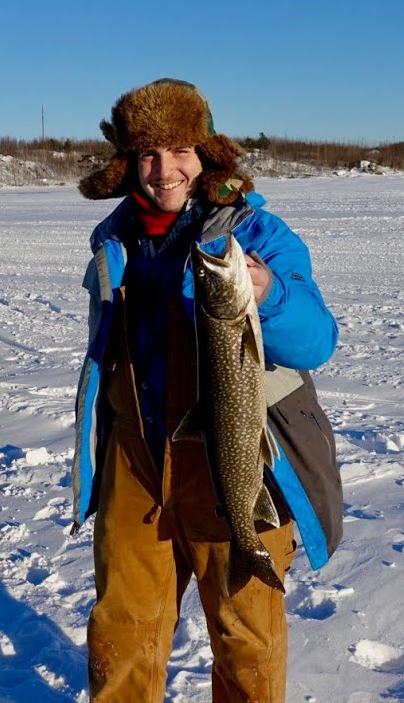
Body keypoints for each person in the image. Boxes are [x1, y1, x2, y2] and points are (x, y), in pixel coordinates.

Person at [70, 78, 342, 702]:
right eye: (147, 154)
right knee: (122, 634)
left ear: (206, 154)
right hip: (134, 462)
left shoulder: (258, 232)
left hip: (235, 457)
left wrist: (268, 291)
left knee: (248, 641)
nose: (164, 171)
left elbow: (315, 342)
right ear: (128, 163)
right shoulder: (115, 240)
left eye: (179, 151)